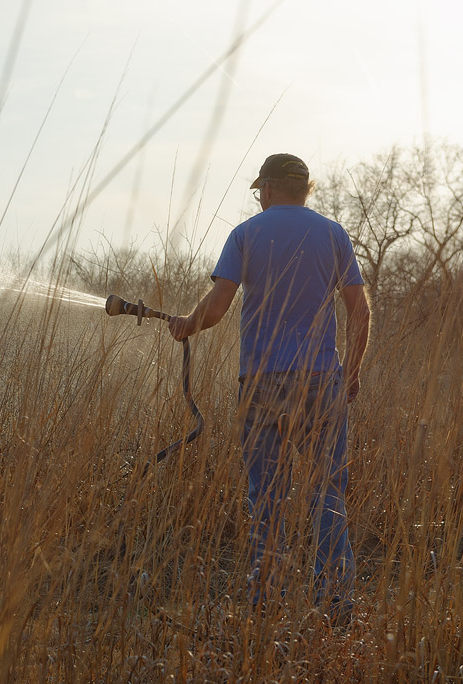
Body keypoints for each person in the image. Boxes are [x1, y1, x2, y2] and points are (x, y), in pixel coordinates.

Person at [167, 153, 371, 626]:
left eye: (260, 189)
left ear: (272, 188)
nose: (258, 198)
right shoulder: (334, 234)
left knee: (267, 495)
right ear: (305, 189)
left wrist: (186, 326)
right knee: (327, 492)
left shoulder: (245, 234)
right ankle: (336, 605)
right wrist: (352, 371)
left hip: (259, 383)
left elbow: (216, 308)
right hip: (322, 382)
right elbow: (360, 311)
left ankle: (265, 603)